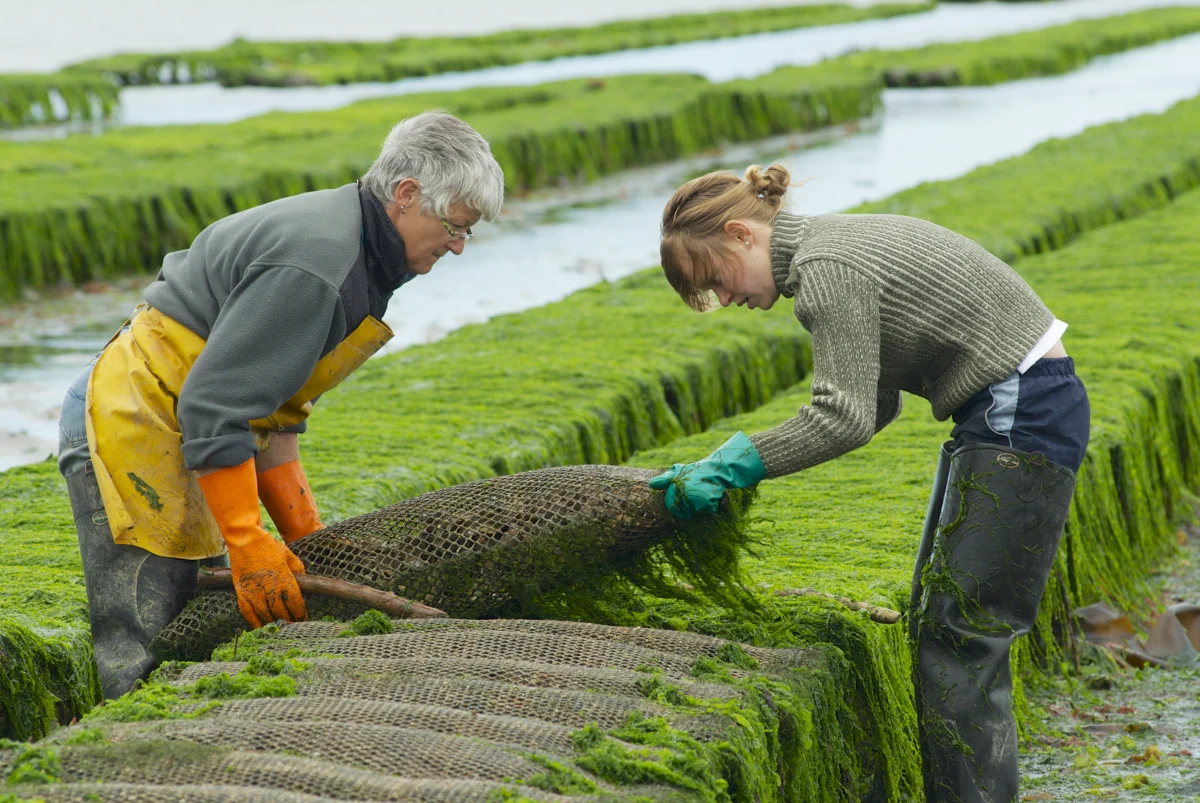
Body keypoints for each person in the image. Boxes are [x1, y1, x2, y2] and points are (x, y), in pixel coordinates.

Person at [650, 164, 1089, 802]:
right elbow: (878, 404)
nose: (723, 298)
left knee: (962, 638)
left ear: (741, 234)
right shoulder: (829, 249)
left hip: (1021, 409)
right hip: (1010, 409)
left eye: (715, 279)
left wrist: (733, 463)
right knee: (943, 626)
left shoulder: (827, 270)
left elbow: (844, 417)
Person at [57, 111, 505, 699]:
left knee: (191, 624)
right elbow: (217, 406)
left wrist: (306, 536)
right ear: (406, 195)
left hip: (184, 428)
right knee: (146, 640)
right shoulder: (317, 261)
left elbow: (272, 410)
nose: (459, 246)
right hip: (132, 424)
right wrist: (246, 538)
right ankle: (124, 745)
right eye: (455, 226)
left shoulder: (364, 255)